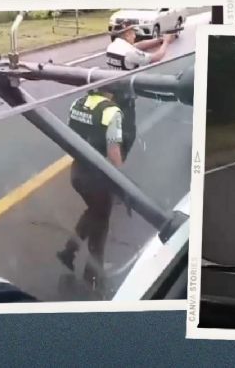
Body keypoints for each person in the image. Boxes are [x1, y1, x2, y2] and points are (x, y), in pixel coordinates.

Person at [56, 84, 124, 296]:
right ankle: (93, 275)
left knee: (93, 213)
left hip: (77, 172)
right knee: (101, 222)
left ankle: (69, 252)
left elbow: (67, 137)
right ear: (109, 91)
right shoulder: (112, 111)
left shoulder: (77, 104)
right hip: (97, 177)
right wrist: (120, 182)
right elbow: (113, 152)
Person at [105, 21, 176, 157]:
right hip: (126, 95)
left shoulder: (112, 47)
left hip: (114, 90)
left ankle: (113, 146)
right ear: (126, 34)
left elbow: (137, 46)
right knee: (128, 128)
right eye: (132, 32)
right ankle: (120, 157)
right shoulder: (129, 52)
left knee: (116, 122)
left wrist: (159, 40)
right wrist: (166, 42)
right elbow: (156, 57)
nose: (135, 35)